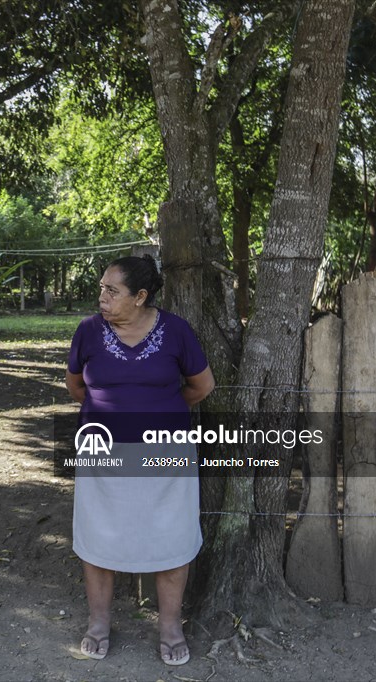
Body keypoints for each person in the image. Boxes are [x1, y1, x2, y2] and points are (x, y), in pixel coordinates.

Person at [65, 254, 215, 666]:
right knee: (99, 537)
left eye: (112, 291)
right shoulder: (89, 332)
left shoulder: (176, 332)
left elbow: (202, 386)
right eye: (101, 288)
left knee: (171, 536)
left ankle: (170, 627)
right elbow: (76, 385)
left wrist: (160, 412)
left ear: (141, 296)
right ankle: (98, 623)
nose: (102, 298)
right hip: (102, 454)